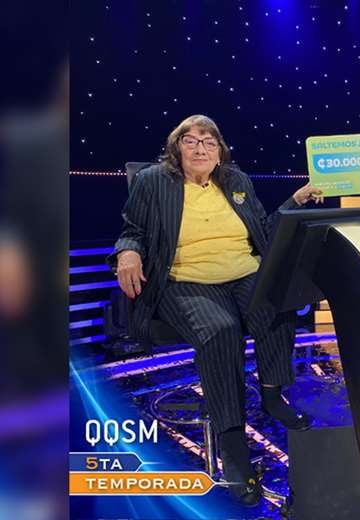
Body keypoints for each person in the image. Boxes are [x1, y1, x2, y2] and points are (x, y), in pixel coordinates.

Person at [108, 114, 324, 504]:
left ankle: (272, 395)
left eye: (209, 142)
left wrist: (296, 200)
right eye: (190, 141)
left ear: (220, 151)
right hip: (183, 279)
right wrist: (127, 253)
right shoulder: (153, 181)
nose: (200, 149)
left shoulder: (236, 181)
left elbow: (263, 229)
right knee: (221, 331)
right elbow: (131, 230)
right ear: (176, 148)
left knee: (277, 302)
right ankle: (234, 448)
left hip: (243, 272)